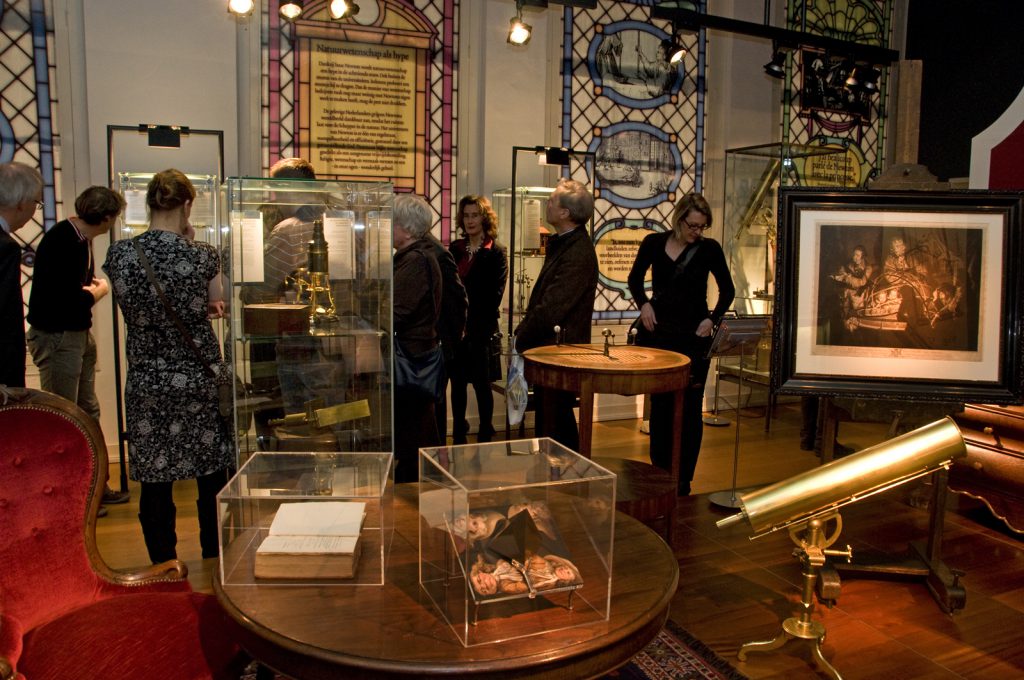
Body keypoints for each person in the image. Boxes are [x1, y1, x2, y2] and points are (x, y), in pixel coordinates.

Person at [103, 169, 233, 564]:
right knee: (211, 476)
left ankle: (163, 562)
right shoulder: (202, 254)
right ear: (188, 205)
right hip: (198, 377)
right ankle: (213, 557)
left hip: (147, 379)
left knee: (156, 483)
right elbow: (218, 299)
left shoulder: (121, 255)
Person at [27, 186, 130, 510]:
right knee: (62, 419)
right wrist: (97, 293)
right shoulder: (64, 241)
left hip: (74, 334)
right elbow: (65, 300)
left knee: (86, 412)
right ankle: (66, 501)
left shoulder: (77, 238)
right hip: (59, 336)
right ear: (106, 218)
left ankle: (91, 489)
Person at [627, 193, 734, 496]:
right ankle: (660, 471)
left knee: (689, 409)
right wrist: (644, 306)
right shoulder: (653, 243)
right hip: (659, 335)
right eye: (693, 226)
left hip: (694, 337)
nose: (697, 232)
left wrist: (712, 319)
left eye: (702, 227)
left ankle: (684, 478)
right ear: (679, 219)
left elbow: (727, 290)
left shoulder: (709, 249)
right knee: (660, 406)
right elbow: (635, 279)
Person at [515, 178, 598, 451]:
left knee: (557, 422)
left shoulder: (578, 251)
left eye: (551, 201)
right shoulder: (565, 243)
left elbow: (553, 306)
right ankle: (553, 476)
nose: (546, 205)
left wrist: (522, 334)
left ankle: (566, 479)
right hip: (550, 348)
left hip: (561, 351)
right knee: (550, 419)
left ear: (565, 213)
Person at [448, 195, 507, 444]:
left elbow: (493, 296)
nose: (470, 220)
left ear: (485, 218)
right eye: (466, 215)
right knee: (457, 384)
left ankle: (485, 431)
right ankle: (459, 433)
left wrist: (469, 325)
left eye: (475, 215)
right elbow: (449, 290)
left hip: (481, 330)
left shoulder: (495, 252)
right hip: (456, 330)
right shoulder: (455, 249)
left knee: (482, 386)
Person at [393, 193, 443, 482]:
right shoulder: (417, 256)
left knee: (416, 421)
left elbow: (399, 310)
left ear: (408, 228)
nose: (389, 227)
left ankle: (417, 475)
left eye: (394, 222)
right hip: (415, 351)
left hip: (413, 355)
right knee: (417, 420)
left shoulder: (416, 261)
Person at [0, 162, 43, 388]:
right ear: (21, 203)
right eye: (37, 203)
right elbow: (5, 316)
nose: (34, 210)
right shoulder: (5, 247)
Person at [427, 229, 467, 445]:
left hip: (441, 342)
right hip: (434, 341)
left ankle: (440, 451)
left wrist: (450, 339)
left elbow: (458, 300)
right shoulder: (429, 250)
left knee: (439, 399)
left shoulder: (439, 254)